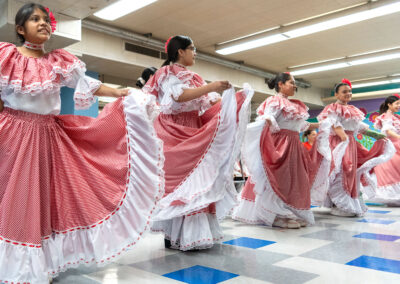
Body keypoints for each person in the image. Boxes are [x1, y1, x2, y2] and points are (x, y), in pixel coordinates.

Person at [0, 3, 164, 283]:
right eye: (34, 19)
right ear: (19, 28)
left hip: (49, 137)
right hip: (14, 134)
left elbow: (89, 84)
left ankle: (38, 263)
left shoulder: (58, 61)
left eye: (45, 20)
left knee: (46, 200)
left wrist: (120, 91)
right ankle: (14, 267)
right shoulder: (7, 56)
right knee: (16, 200)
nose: (43, 24)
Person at [143, 35, 253, 250]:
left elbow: (210, 101)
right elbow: (179, 97)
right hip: (172, 130)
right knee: (181, 182)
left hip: (194, 129)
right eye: (192, 48)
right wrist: (212, 86)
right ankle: (175, 235)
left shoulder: (194, 77)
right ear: (180, 51)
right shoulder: (166, 72)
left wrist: (234, 101)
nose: (195, 53)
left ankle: (192, 235)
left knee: (199, 180)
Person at [232, 72, 331, 229]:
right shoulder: (274, 101)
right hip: (279, 144)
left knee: (294, 180)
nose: (294, 85)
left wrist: (321, 125)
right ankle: (274, 213)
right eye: (291, 82)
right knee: (278, 179)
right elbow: (267, 119)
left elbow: (300, 126)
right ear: (280, 84)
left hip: (293, 146)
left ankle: (285, 211)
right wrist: (261, 123)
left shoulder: (295, 105)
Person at [314, 79, 394, 217]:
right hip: (338, 143)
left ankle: (345, 203)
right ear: (337, 95)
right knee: (340, 170)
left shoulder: (352, 110)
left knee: (350, 173)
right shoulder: (332, 108)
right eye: (344, 92)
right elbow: (333, 123)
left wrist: (377, 136)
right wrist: (343, 137)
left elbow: (360, 127)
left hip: (350, 143)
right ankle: (339, 203)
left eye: (350, 91)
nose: (348, 94)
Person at [368, 95, 400, 206]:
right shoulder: (386, 116)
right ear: (389, 105)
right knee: (393, 171)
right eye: (397, 104)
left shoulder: (396, 117)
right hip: (392, 145)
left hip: (396, 144)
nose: (399, 106)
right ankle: (393, 196)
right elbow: (388, 131)